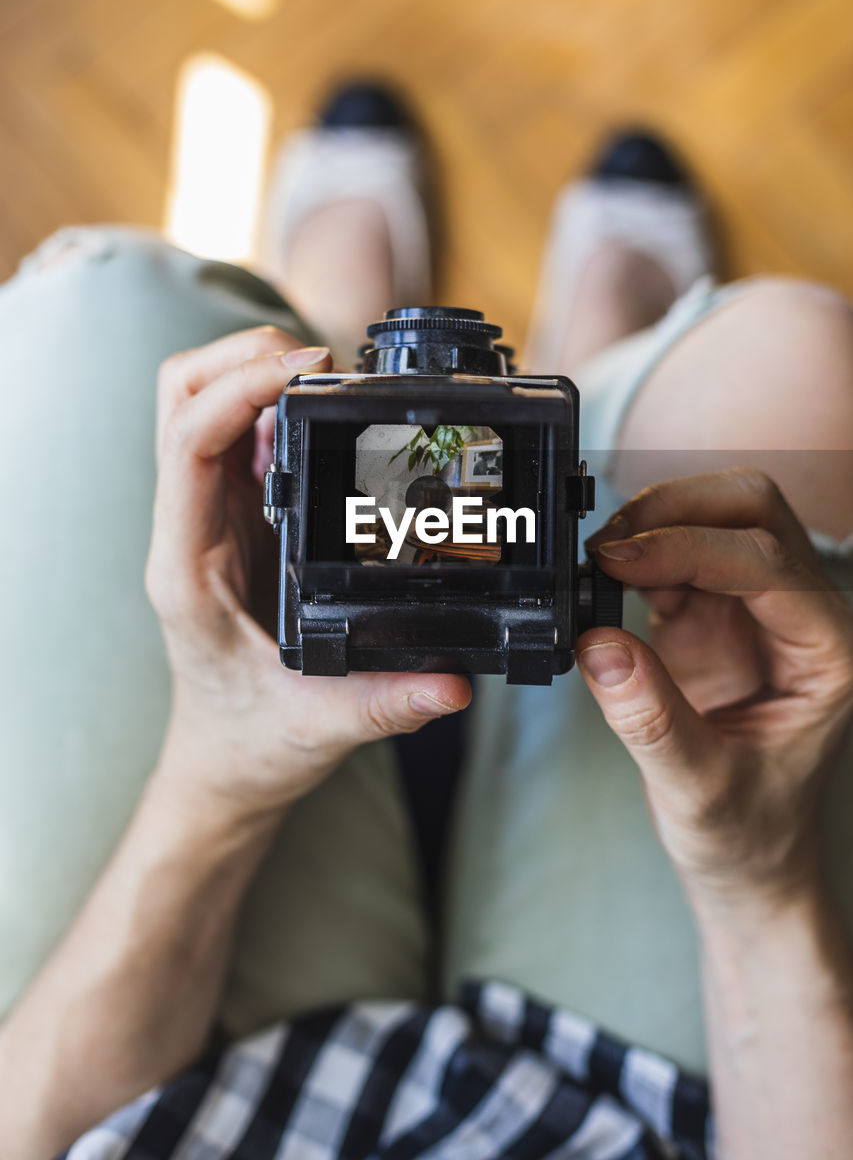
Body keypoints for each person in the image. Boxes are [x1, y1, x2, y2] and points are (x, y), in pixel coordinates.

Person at [0, 81, 851, 1160]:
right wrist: (756, 882)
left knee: (105, 303)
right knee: (788, 367)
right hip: (632, 1111)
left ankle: (357, 336)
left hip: (199, 1091)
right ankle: (580, 364)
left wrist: (214, 777)